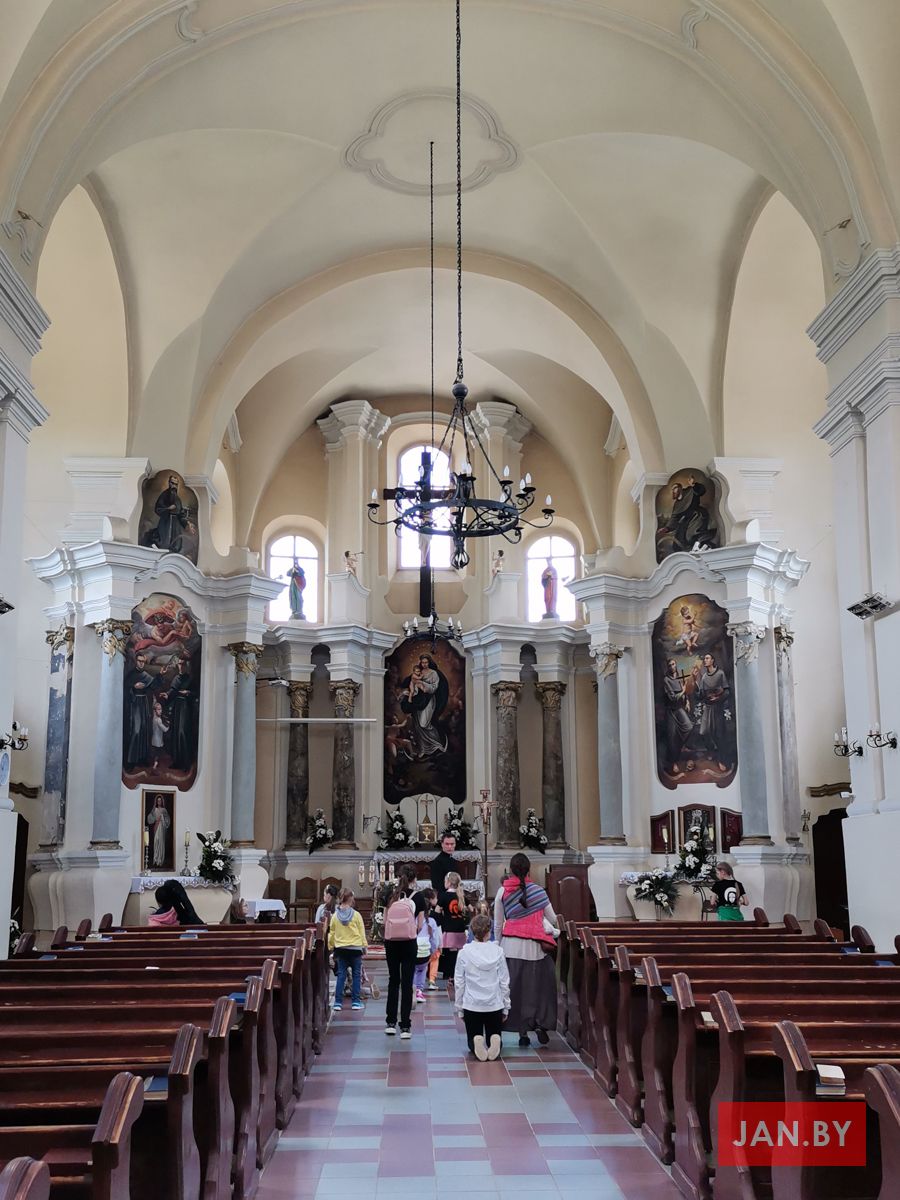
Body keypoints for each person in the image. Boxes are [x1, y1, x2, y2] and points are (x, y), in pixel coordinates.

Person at [494, 852, 558, 1047]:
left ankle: (519, 1031)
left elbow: (498, 924)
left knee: (513, 991)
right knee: (537, 989)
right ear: (529, 870)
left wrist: (498, 946)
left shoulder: (502, 892)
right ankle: (539, 1023)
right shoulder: (538, 891)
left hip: (510, 946)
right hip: (535, 948)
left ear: (511, 870)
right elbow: (553, 919)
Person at [455, 913, 510, 1061]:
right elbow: (504, 981)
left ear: (472, 931)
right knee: (495, 1033)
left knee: (472, 1039)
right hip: (494, 1004)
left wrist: (460, 1007)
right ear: (489, 931)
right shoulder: (498, 951)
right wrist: (506, 1006)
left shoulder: (464, 953)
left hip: (472, 1005)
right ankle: (494, 1041)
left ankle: (476, 1042)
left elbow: (459, 982)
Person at [383, 865, 421, 1039]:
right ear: (414, 879)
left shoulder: (390, 896)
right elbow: (420, 924)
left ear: (398, 877)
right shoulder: (418, 897)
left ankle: (390, 1023)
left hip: (391, 942)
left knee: (393, 981)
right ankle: (405, 1026)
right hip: (409, 943)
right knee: (407, 983)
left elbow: (385, 921)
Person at [328, 888, 368, 1010]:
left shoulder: (335, 916)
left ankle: (338, 1003)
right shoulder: (356, 915)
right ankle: (355, 1002)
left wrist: (331, 946)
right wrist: (364, 946)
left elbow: (331, 933)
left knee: (341, 975)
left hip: (341, 948)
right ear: (351, 899)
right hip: (355, 948)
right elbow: (361, 932)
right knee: (356, 975)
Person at [697, 652, 731, 774]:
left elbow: (727, 692)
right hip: (707, 708)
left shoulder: (720, 674)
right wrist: (695, 682)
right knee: (703, 732)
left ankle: (721, 760)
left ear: (712, 660)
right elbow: (701, 695)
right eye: (704, 659)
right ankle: (711, 750)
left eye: (707, 658)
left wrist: (717, 698)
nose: (705, 660)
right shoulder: (704, 677)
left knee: (719, 734)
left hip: (717, 708)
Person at [438, 871, 468, 980]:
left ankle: (450, 974)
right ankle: (459, 974)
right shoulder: (461, 896)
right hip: (460, 928)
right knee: (459, 953)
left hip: (449, 928)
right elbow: (471, 909)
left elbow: (437, 911)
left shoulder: (444, 896)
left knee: (450, 953)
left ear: (449, 882)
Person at [413, 888, 441, 1004]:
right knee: (422, 969)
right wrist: (432, 950)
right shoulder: (432, 921)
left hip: (414, 949)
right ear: (429, 909)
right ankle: (419, 990)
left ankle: (412, 988)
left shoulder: (413, 919)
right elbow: (434, 939)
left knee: (413, 970)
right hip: (425, 951)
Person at [146, 795, 171, 868]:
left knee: (161, 842)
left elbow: (167, 820)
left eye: (160, 800)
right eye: (158, 800)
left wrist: (162, 817)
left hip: (161, 827)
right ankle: (156, 859)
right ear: (156, 801)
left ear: (162, 801)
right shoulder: (154, 809)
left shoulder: (164, 810)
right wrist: (154, 818)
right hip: (156, 827)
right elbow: (150, 819)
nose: (159, 802)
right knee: (156, 842)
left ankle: (160, 860)